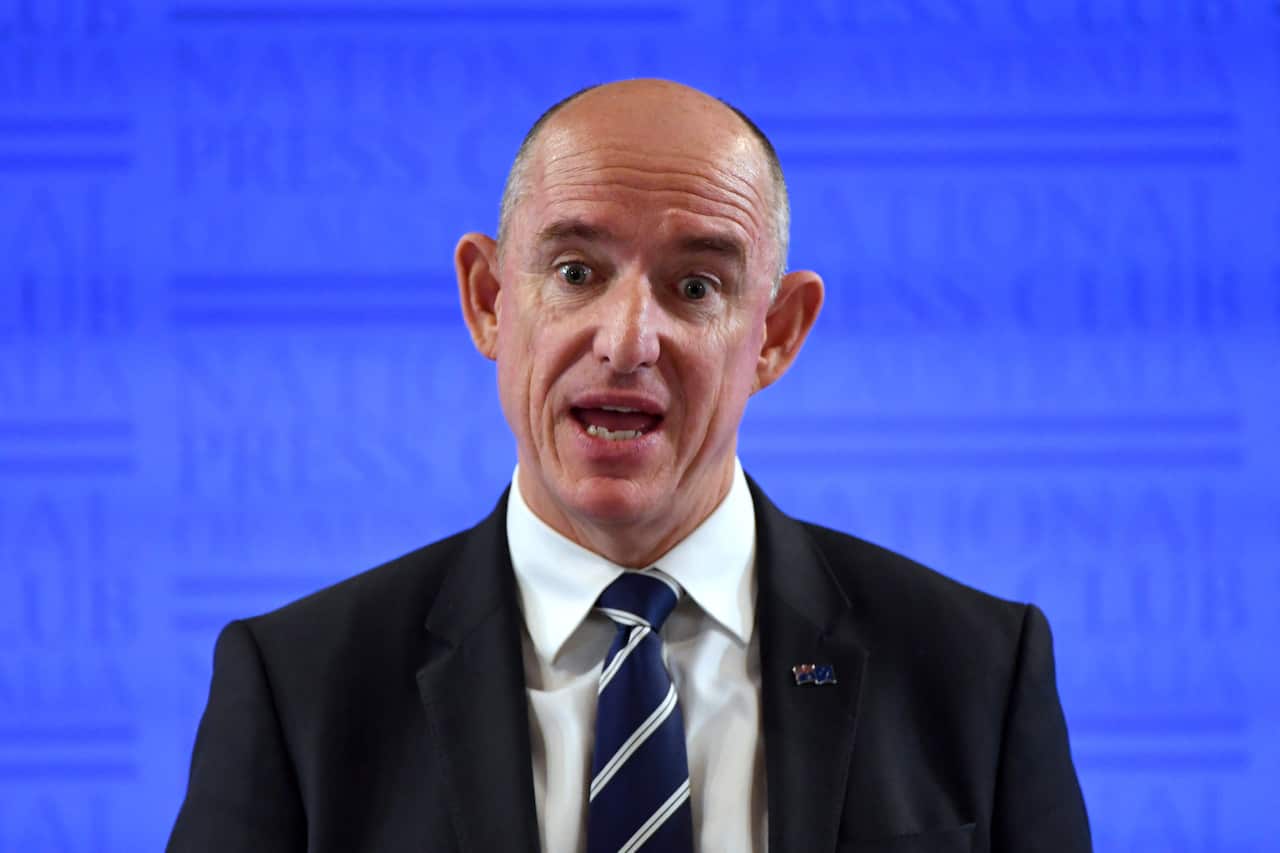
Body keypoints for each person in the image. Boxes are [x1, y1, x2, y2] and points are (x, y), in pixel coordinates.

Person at [168, 79, 1091, 852]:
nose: (626, 340)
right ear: (489, 301)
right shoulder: (298, 690)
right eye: (575, 271)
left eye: (695, 286)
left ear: (775, 334)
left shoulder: (976, 672)